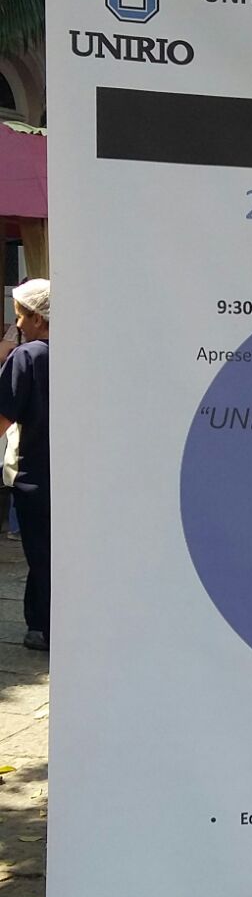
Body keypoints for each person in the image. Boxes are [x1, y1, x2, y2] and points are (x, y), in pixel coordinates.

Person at [0, 279, 50, 651]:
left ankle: (45, 627)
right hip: (78, 476)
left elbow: (2, 416)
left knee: (41, 554)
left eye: (21, 316)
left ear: (38, 318)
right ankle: (41, 624)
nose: (17, 324)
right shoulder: (85, 354)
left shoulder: (28, 357)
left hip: (35, 475)